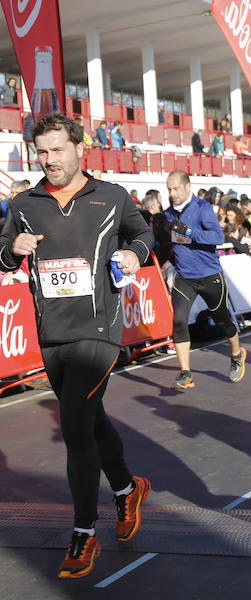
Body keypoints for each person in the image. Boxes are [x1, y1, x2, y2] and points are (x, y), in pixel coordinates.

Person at [0, 112, 154, 577]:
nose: (49, 160)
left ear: (79, 148)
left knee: (72, 427)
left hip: (99, 330)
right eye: (41, 151)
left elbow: (144, 233)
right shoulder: (25, 203)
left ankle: (84, 533)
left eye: (57, 150)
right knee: (89, 420)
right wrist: (15, 249)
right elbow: (3, 253)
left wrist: (133, 253)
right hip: (52, 333)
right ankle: (129, 490)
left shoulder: (110, 196)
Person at [163, 170, 247, 389]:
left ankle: (237, 354)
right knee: (179, 321)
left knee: (222, 321)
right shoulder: (168, 214)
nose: (172, 193)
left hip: (209, 276)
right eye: (169, 189)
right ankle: (185, 373)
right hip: (183, 277)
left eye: (176, 188)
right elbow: (171, 239)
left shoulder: (202, 208)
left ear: (187, 187)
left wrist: (189, 232)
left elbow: (218, 237)